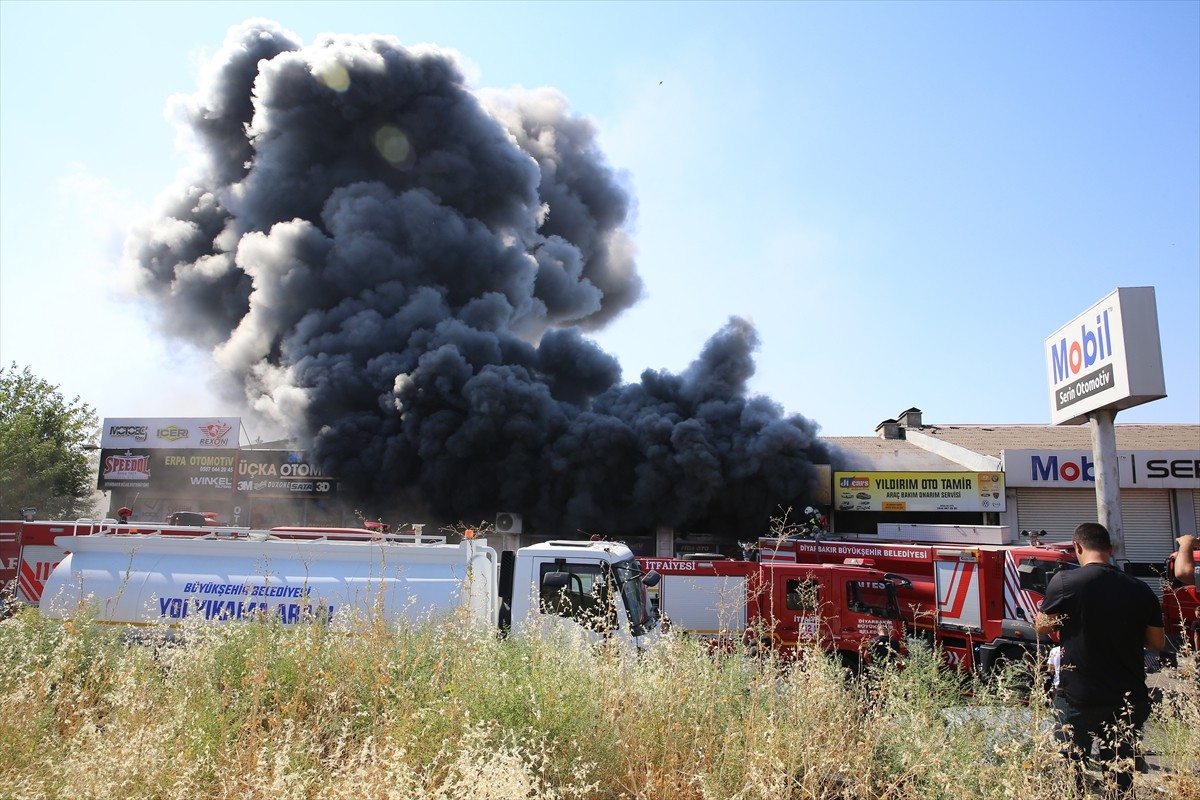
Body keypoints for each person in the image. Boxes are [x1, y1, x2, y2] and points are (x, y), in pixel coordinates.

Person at [1036, 522, 1165, 797]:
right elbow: (1156, 643)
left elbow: (1042, 628)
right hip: (1129, 698)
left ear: (1077, 547)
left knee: (1071, 771)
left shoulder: (1065, 582)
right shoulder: (1141, 589)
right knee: (1120, 777)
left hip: (1079, 696)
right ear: (1111, 549)